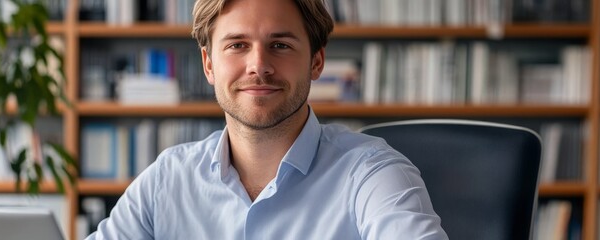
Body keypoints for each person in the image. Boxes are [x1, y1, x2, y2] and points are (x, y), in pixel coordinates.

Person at [87, 0, 448, 239]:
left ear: (316, 62)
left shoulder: (373, 173)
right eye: (237, 45)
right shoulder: (167, 179)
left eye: (280, 45)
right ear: (208, 64)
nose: (258, 65)